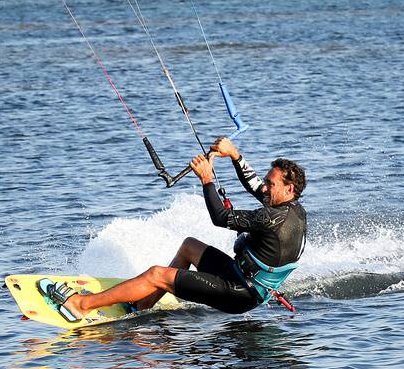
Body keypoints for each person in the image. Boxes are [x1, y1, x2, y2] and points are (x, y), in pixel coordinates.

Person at [41, 137, 308, 321]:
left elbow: (220, 216)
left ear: (289, 189)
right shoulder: (293, 210)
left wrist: (207, 180)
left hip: (239, 293)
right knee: (189, 246)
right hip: (243, 278)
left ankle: (81, 305)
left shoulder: (270, 218)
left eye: (270, 184)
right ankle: (143, 304)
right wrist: (235, 155)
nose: (264, 186)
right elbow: (255, 186)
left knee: (158, 274)